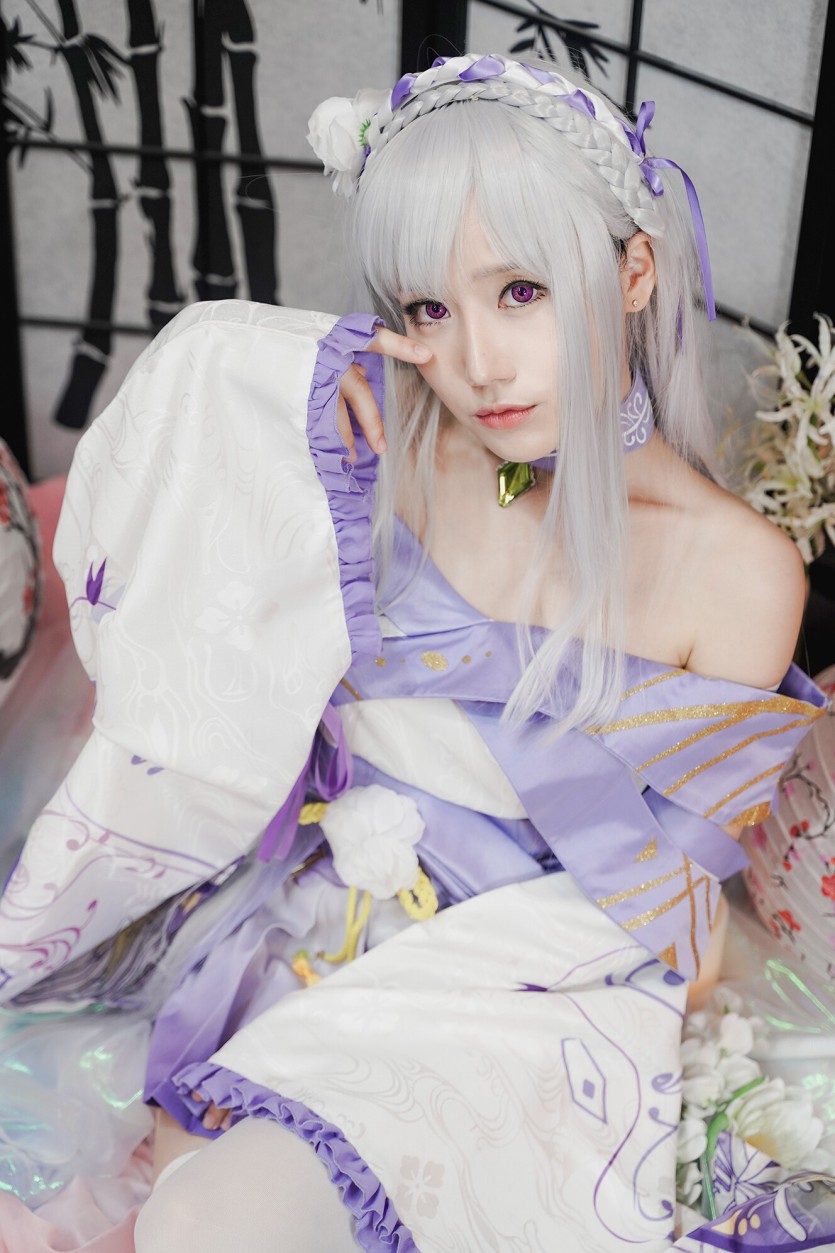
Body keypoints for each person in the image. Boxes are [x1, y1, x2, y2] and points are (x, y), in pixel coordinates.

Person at [2, 53, 831, 1252]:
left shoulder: (740, 571)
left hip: (521, 978)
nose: (478, 363)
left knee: (216, 1219)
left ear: (633, 271)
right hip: (298, 912)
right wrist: (299, 368)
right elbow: (178, 449)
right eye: (428, 310)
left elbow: (665, 907)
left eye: (521, 291)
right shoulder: (379, 431)